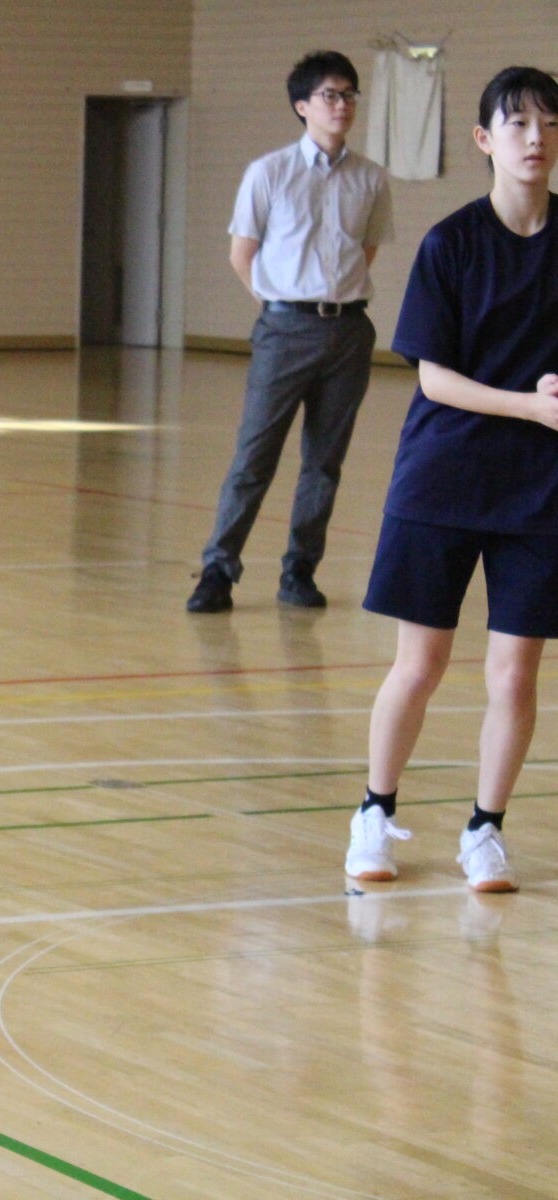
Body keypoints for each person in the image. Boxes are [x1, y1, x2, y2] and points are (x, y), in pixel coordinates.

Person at [344, 66, 558, 894]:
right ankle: (373, 811)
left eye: (548, 123)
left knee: (516, 674)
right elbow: (435, 378)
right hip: (443, 479)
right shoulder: (451, 244)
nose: (535, 138)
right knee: (421, 665)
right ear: (484, 140)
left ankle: (485, 830)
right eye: (517, 124)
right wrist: (528, 406)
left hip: (539, 491)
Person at [188, 50, 393, 613]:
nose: (343, 104)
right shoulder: (269, 172)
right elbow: (241, 254)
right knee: (254, 456)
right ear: (302, 106)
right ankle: (218, 570)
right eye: (330, 94)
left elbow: (366, 251)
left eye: (350, 94)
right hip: (284, 329)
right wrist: (280, 307)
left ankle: (300, 570)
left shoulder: (371, 178)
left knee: (324, 461)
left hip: (349, 331)